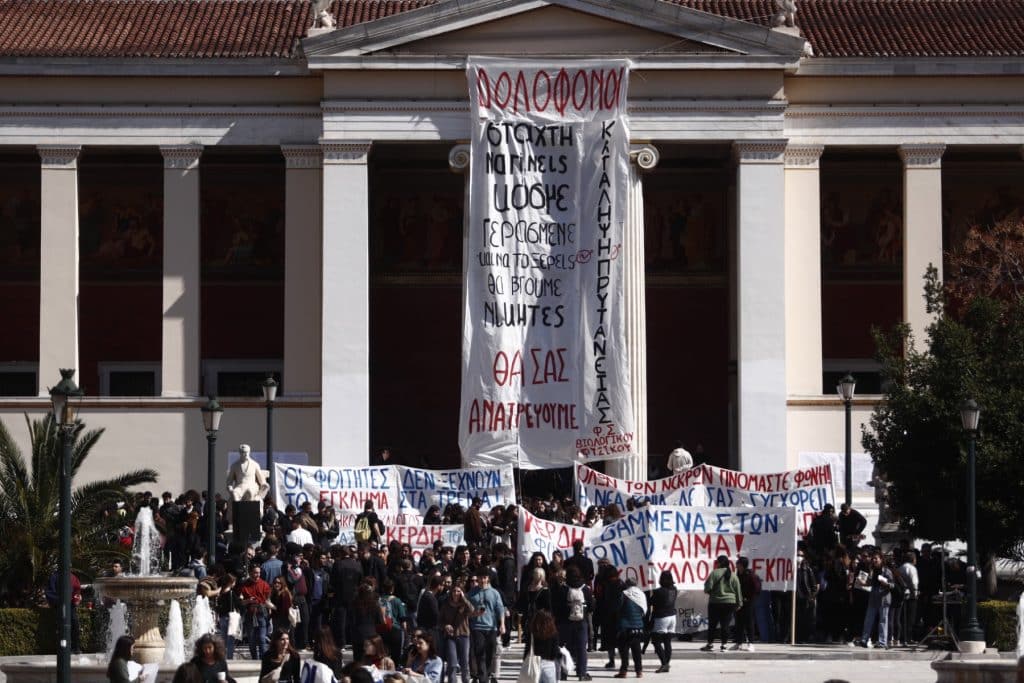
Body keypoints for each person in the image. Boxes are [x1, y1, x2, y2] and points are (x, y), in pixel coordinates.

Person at [468, 567, 505, 683]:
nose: (482, 580)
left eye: (484, 577)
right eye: (480, 577)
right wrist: (474, 613)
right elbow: (465, 611)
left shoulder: (494, 593)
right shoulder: (471, 593)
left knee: (490, 653)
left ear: (488, 578)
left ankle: (487, 673)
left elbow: (500, 609)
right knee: (480, 654)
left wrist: (502, 624)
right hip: (477, 627)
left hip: (491, 627)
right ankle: (483, 678)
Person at [701, 555, 742, 652]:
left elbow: (707, 588)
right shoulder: (733, 575)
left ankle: (710, 644)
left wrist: (712, 592)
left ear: (719, 563)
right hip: (730, 603)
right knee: (725, 625)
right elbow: (738, 590)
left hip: (715, 602)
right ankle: (724, 645)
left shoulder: (714, 573)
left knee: (712, 625)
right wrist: (739, 603)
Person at [438, 581, 474, 683]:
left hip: (464, 635)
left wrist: (464, 598)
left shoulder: (465, 604)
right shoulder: (446, 604)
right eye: (454, 591)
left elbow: (472, 610)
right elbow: (439, 621)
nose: (456, 593)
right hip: (451, 636)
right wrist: (445, 625)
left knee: (464, 663)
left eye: (458, 591)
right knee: (452, 664)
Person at [858, 551, 893, 649]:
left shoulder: (887, 571)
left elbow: (893, 585)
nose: (874, 560)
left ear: (881, 559)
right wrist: (863, 583)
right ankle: (864, 640)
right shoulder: (872, 570)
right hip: (873, 595)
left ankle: (882, 642)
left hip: (884, 597)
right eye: (873, 558)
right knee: (868, 619)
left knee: (883, 620)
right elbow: (870, 582)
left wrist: (886, 584)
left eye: (876, 558)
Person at [614, 579, 646, 678]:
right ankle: (639, 671)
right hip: (638, 626)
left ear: (627, 584)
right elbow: (644, 610)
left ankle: (623, 671)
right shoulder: (641, 594)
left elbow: (617, 608)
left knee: (624, 650)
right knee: (636, 650)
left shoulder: (624, 594)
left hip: (625, 627)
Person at [240, 565, 272, 659]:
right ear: (250, 573)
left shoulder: (265, 584)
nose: (257, 575)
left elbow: (268, 599)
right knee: (251, 639)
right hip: (250, 614)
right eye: (255, 572)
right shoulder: (244, 585)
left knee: (262, 638)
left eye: (258, 572)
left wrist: (269, 610)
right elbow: (241, 602)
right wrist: (248, 601)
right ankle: (254, 658)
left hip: (261, 613)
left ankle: (264, 658)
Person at [648, 570, 677, 672]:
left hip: (662, 617)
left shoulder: (658, 591)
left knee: (656, 641)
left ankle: (664, 663)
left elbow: (650, 602)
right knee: (667, 641)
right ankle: (667, 663)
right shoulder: (674, 589)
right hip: (672, 617)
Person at [733, 557, 761, 651]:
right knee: (738, 622)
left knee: (749, 622)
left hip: (748, 602)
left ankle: (751, 643)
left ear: (742, 565)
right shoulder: (738, 574)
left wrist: (749, 598)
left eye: (738, 563)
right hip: (739, 602)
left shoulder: (751, 575)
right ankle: (739, 643)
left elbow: (756, 588)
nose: (736, 565)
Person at [531, 609, 562, 683]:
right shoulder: (554, 634)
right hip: (548, 664)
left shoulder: (532, 634)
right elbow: (555, 652)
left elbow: (527, 650)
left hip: (534, 664)